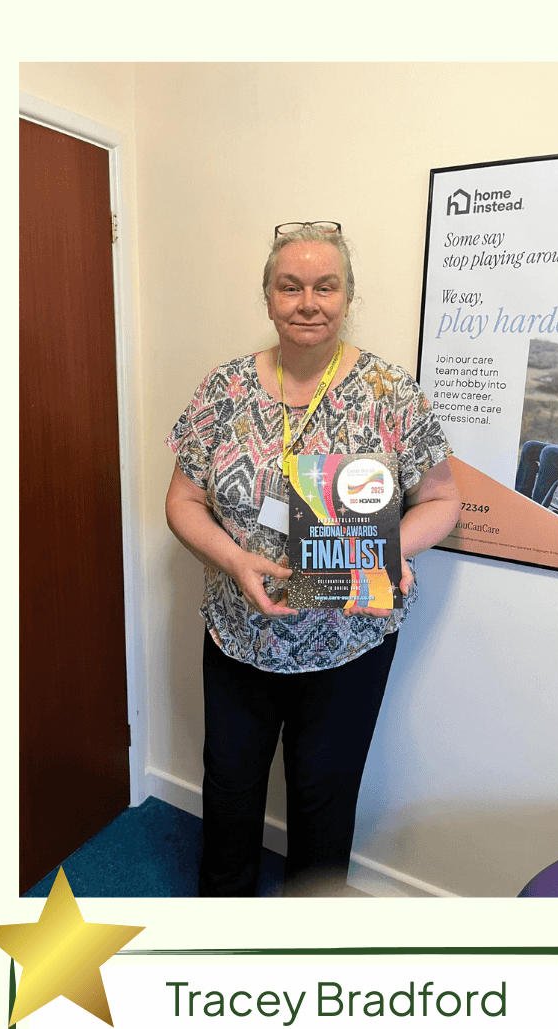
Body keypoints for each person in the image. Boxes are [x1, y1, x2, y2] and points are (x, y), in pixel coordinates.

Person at [163, 222, 459, 897]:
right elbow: (181, 501)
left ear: (348, 297)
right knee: (231, 788)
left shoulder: (392, 393)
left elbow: (441, 501)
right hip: (239, 634)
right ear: (267, 297)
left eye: (325, 286)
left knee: (325, 800)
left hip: (348, 640)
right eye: (289, 286)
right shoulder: (223, 389)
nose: (307, 301)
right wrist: (235, 559)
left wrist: (387, 549)